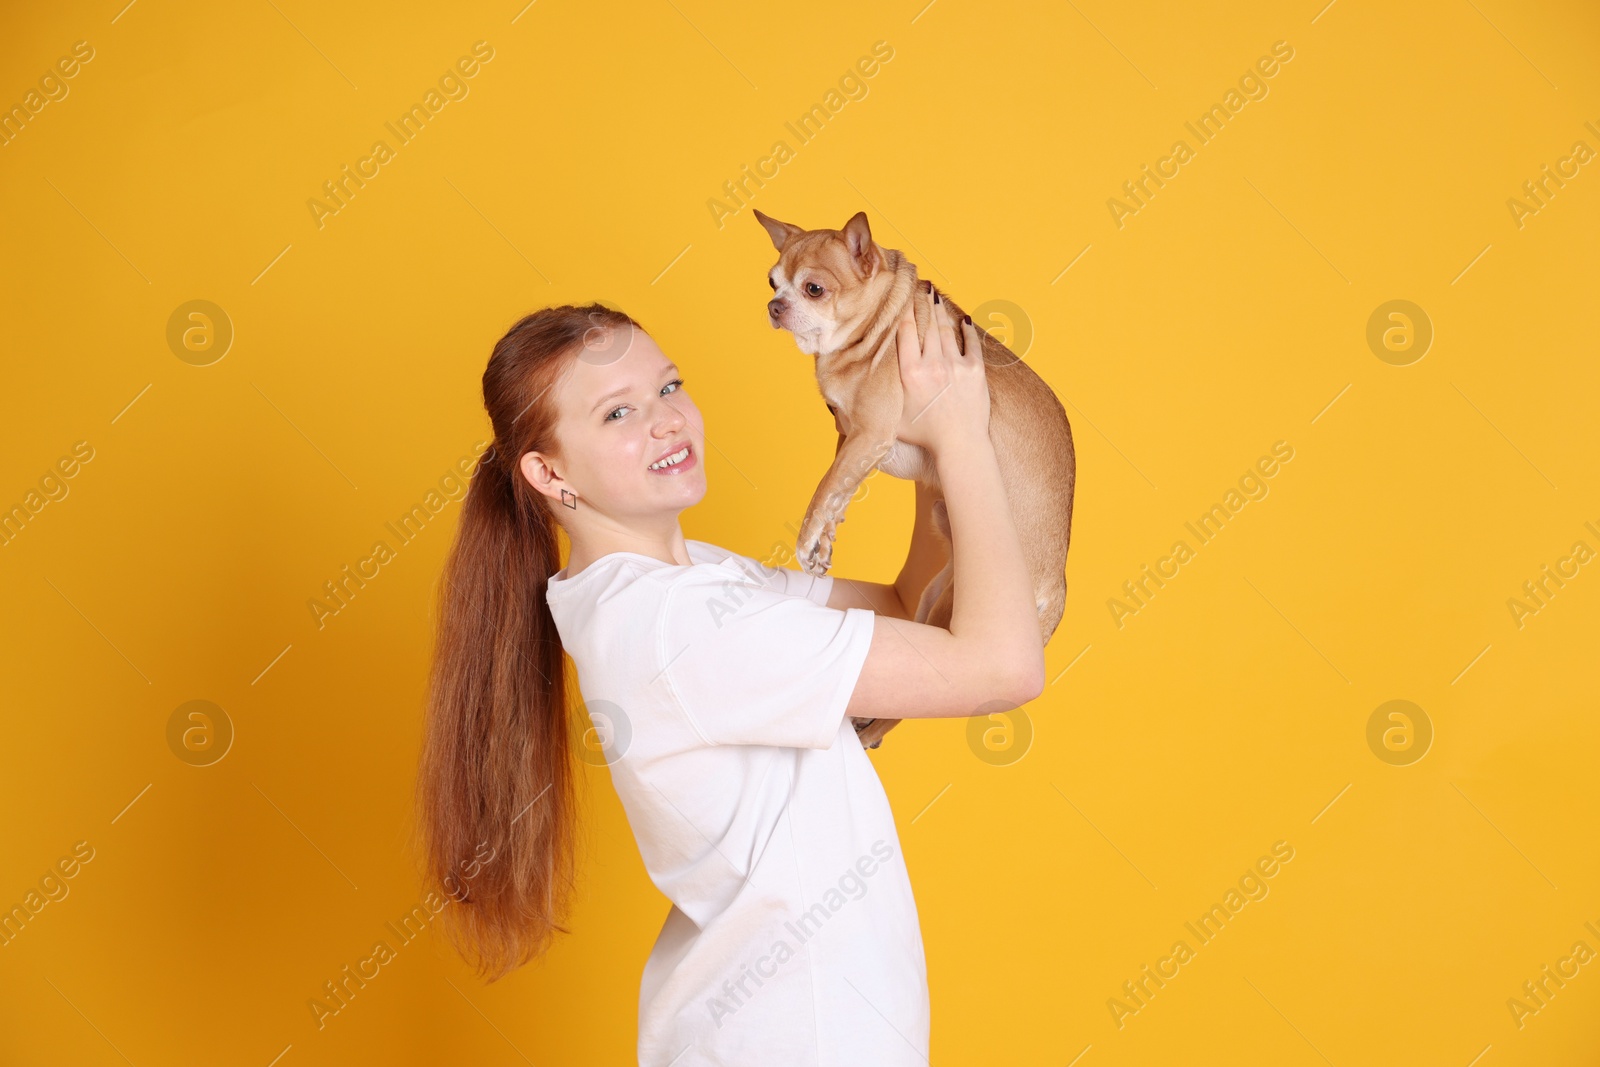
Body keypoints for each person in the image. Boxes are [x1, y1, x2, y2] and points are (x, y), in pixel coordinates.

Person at [412, 297, 1043, 1065]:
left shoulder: (690, 581)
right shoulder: (673, 625)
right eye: (617, 414)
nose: (666, 420)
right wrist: (962, 437)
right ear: (548, 473)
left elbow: (913, 609)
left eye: (670, 388)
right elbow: (1001, 666)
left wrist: (911, 437)